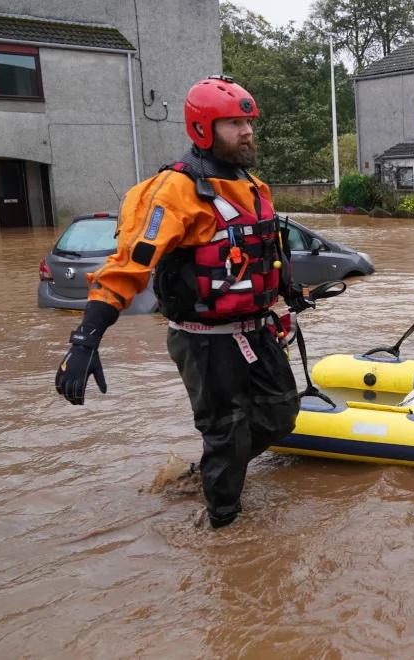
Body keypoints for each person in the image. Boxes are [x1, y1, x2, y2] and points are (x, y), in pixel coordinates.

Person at [55, 75, 310, 529]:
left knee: (281, 414)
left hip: (254, 329)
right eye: (234, 124)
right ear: (202, 130)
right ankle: (223, 528)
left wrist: (290, 294)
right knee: (226, 430)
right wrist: (84, 341)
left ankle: (215, 468)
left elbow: (267, 251)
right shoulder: (171, 192)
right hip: (204, 340)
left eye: (249, 122)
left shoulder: (254, 186)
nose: (247, 132)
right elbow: (126, 268)